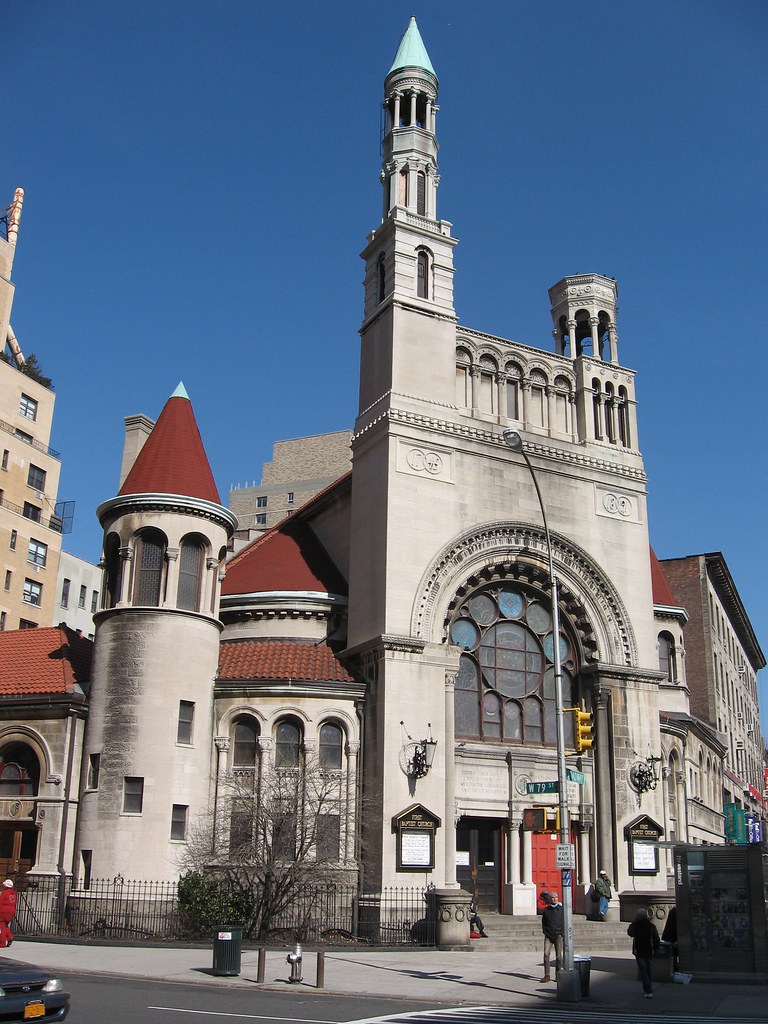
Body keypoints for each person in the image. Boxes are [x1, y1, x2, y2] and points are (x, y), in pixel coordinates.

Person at [628, 907, 660, 998]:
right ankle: (649, 987)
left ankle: (648, 989)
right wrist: (656, 948)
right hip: (649, 950)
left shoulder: (635, 925)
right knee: (648, 970)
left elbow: (630, 933)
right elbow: (656, 938)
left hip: (639, 951)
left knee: (643, 971)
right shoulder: (651, 926)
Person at [540, 891, 563, 982]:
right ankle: (547, 975)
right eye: (552, 898)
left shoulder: (561, 910)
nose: (554, 899)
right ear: (550, 899)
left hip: (558, 935)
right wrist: (545, 932)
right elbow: (544, 922)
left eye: (556, 897)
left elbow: (564, 921)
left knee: (559, 956)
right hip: (548, 936)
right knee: (546, 954)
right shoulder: (546, 910)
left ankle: (558, 974)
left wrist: (561, 932)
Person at [0, 879, 16, 948]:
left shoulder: (5, 893)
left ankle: (2, 943)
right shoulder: (14, 894)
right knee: (5, 925)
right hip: (11, 911)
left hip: (3, 911)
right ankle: (9, 937)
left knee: (2, 926)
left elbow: (0, 902)